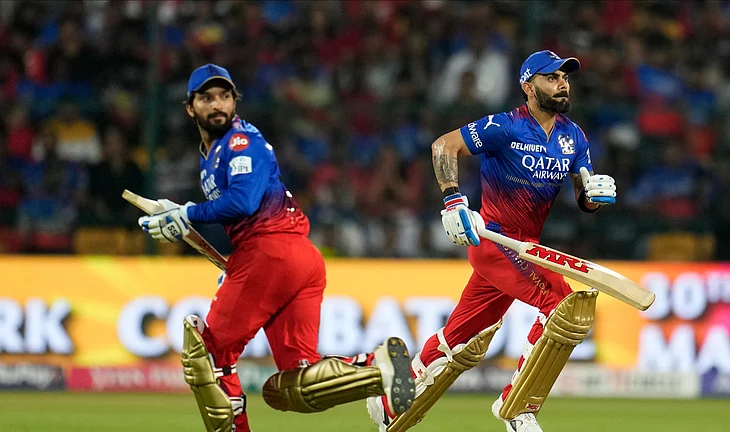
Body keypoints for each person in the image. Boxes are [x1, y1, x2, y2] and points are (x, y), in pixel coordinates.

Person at [138, 64, 414, 432]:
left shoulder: (239, 142)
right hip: (293, 258)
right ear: (191, 108)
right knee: (297, 386)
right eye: (207, 98)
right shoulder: (210, 153)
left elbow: (244, 202)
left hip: (271, 253)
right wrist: (227, 258)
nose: (217, 104)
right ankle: (376, 368)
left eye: (224, 96)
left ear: (235, 101)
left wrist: (187, 213)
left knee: (209, 358)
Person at [366, 51, 617, 432]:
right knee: (564, 305)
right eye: (552, 77)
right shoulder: (505, 126)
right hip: (495, 240)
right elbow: (443, 146)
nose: (563, 83)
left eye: (565, 77)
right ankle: (517, 405)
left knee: (461, 337)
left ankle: (385, 401)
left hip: (525, 247)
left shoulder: (573, 136)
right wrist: (453, 202)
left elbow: (585, 195)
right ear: (528, 86)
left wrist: (593, 197)